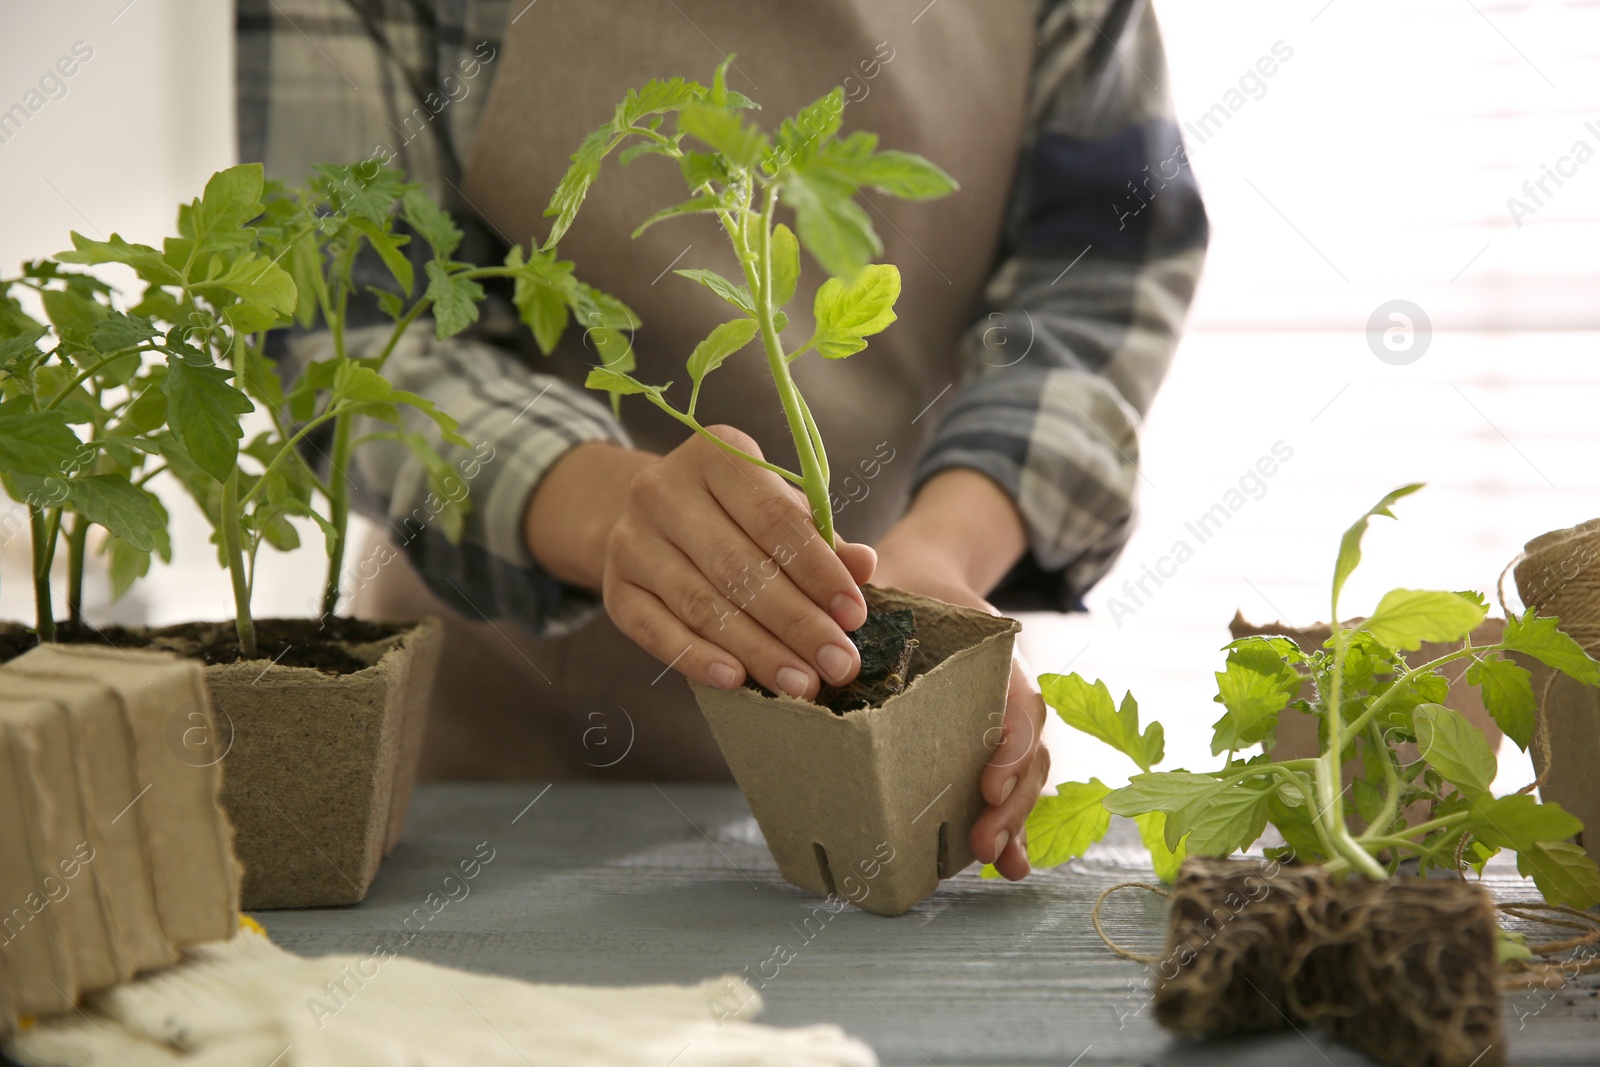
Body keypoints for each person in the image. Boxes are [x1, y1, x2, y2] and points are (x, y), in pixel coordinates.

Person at [237, 0, 1207, 882]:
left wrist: (939, 559)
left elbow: (1101, 273)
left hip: (891, 679)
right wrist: (603, 501)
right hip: (512, 756)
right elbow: (341, 325)